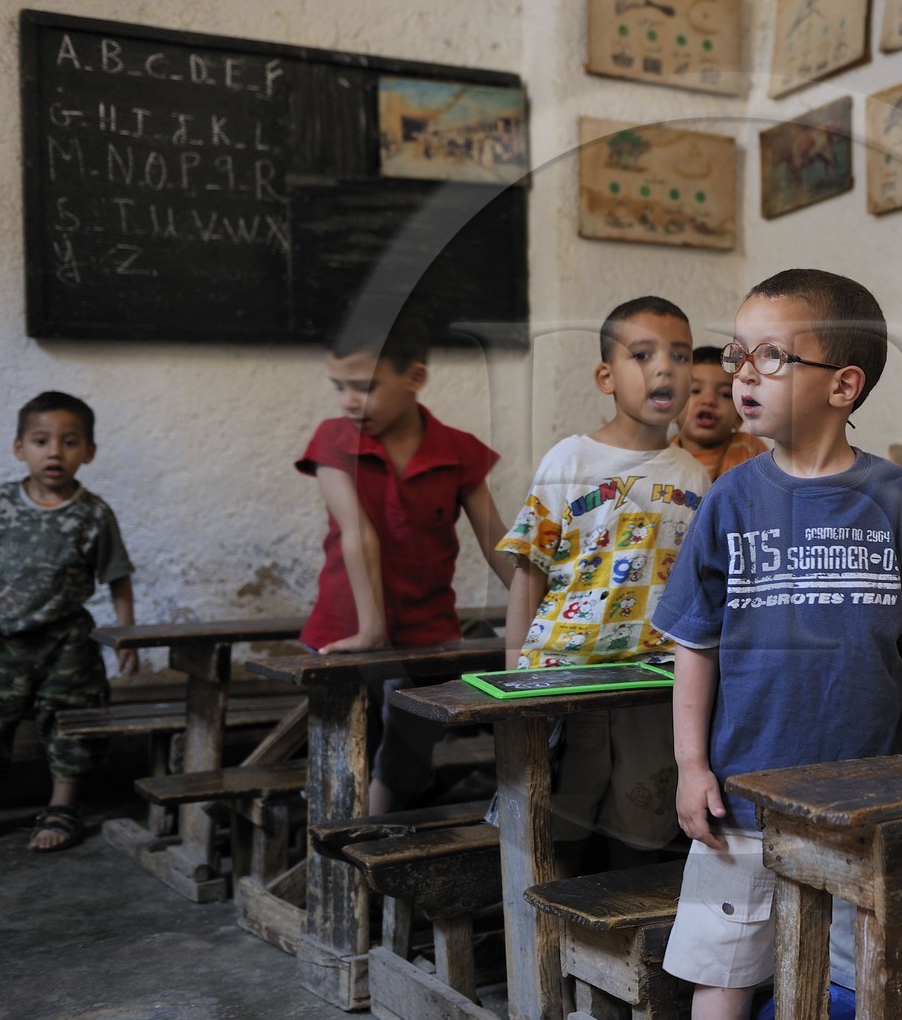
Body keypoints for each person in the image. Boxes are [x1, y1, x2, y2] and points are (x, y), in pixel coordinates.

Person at [652, 269, 902, 1020]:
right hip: (742, 803)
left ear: (843, 385)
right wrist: (691, 766)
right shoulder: (730, 498)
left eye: (771, 357)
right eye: (738, 355)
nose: (743, 375)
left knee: (855, 981)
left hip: (868, 802)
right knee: (723, 975)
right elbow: (695, 644)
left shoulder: (895, 496)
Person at [497, 296, 711, 871]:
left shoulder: (695, 475)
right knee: (556, 826)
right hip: (565, 678)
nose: (665, 368)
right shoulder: (569, 461)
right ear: (605, 377)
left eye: (680, 355)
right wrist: (512, 678)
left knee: (641, 830)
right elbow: (529, 568)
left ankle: (623, 925)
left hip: (655, 684)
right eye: (642, 355)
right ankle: (551, 926)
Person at [298, 311, 513, 815]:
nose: (348, 401)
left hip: (427, 631)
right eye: (339, 386)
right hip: (345, 630)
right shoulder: (333, 440)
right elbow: (358, 533)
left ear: (415, 377)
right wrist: (371, 630)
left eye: (364, 386)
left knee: (407, 752)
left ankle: (380, 834)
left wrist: (547, 617)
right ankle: (345, 838)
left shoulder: (457, 450)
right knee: (347, 750)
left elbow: (496, 540)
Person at [0, 392, 137, 854]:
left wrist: (127, 636)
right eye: (42, 441)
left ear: (89, 452)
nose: (54, 452)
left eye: (69, 442)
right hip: (1, 641)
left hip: (68, 643)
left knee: (68, 722)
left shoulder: (94, 514)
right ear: (19, 448)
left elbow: (118, 578)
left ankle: (63, 806)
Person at [672, 345, 767, 480]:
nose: (709, 400)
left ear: (739, 417)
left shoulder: (748, 447)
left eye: (725, 394)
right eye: (695, 390)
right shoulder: (661, 455)